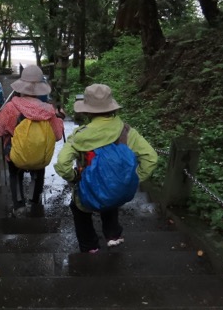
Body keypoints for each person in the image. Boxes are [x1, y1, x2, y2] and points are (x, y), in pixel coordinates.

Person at [55, 84, 158, 253]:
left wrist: (74, 177)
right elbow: (151, 158)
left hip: (88, 191)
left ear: (87, 111)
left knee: (79, 208)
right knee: (110, 196)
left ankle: (90, 247)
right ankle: (113, 235)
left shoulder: (80, 135)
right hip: (116, 190)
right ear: (111, 108)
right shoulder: (126, 131)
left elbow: (62, 165)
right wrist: (133, 179)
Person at [0, 64, 64, 208]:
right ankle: (34, 201)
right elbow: (57, 135)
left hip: (15, 154)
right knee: (38, 169)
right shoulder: (49, 111)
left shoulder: (10, 108)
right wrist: (60, 120)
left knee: (14, 172)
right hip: (39, 154)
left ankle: (19, 203)